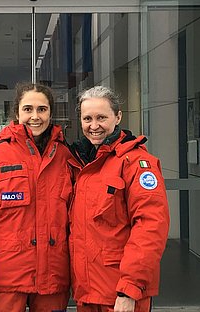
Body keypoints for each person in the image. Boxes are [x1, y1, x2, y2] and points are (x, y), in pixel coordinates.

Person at [0, 82, 75, 312]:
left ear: (51, 114)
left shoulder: (66, 156)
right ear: (16, 113)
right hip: (6, 280)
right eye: (28, 109)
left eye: (42, 109)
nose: (35, 116)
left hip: (53, 279)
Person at [69, 85, 169, 312]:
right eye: (87, 118)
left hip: (120, 294)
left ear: (118, 117)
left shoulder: (137, 163)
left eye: (101, 117)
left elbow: (150, 227)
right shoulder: (80, 162)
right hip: (87, 292)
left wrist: (129, 288)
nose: (94, 126)